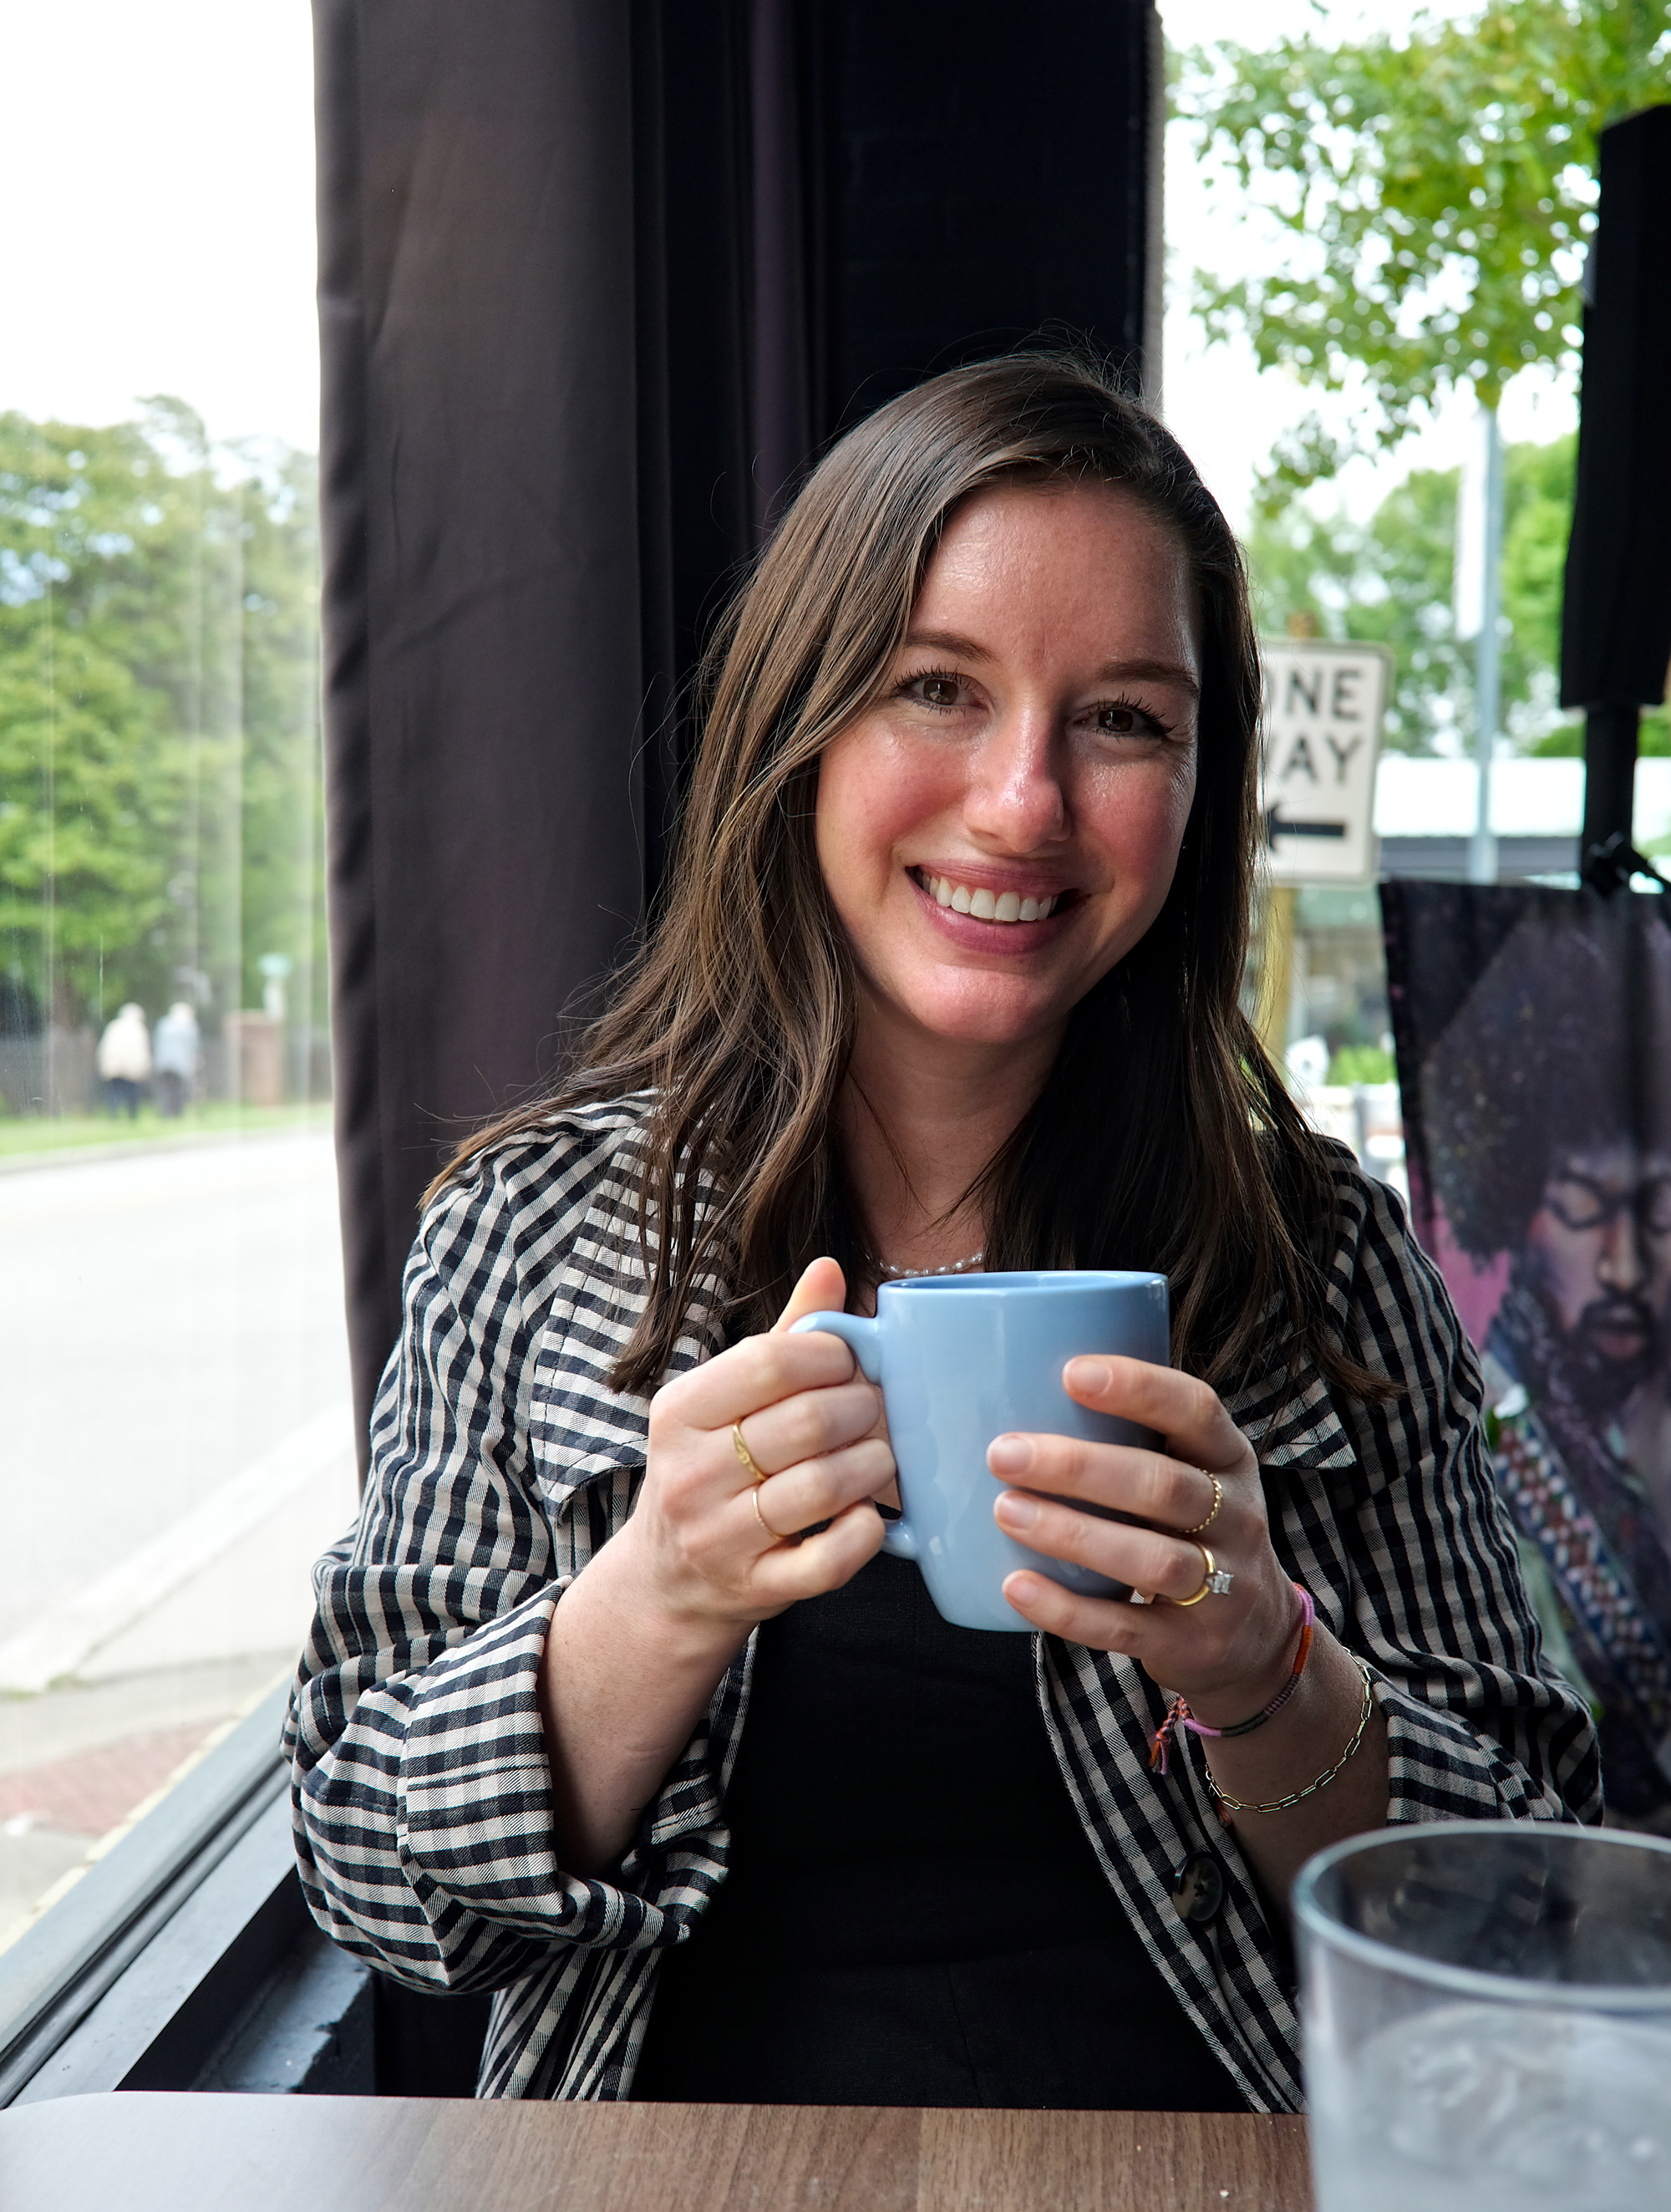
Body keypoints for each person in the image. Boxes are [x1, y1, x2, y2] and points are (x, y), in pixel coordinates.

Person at [286, 354, 1597, 2110]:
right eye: (935, 689)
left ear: (1196, 791)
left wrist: (1267, 1668)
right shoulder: (531, 1229)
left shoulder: (1318, 1258)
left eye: (1123, 718)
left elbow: (1523, 1909)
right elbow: (362, 1865)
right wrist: (653, 1597)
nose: (1022, 802)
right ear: (798, 727)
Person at [1419, 906, 1671, 1820]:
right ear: (1519, 1206)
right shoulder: (1469, 1424)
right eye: (1579, 1208)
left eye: (1656, 1210)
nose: (1622, 1264)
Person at [95, 1001, 151, 1117]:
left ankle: (113, 1114)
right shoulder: (139, 1029)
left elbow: (105, 1047)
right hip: (132, 1068)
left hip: (114, 1066)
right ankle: (132, 1116)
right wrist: (144, 1067)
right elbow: (142, 1050)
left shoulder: (114, 1026)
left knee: (115, 1091)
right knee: (132, 1093)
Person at [151, 1001, 201, 1119]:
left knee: (165, 1088)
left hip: (163, 1062)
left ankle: (166, 1112)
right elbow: (194, 1045)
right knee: (178, 1089)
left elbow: (156, 1042)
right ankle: (175, 1113)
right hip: (181, 1064)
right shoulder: (189, 1026)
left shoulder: (164, 1024)